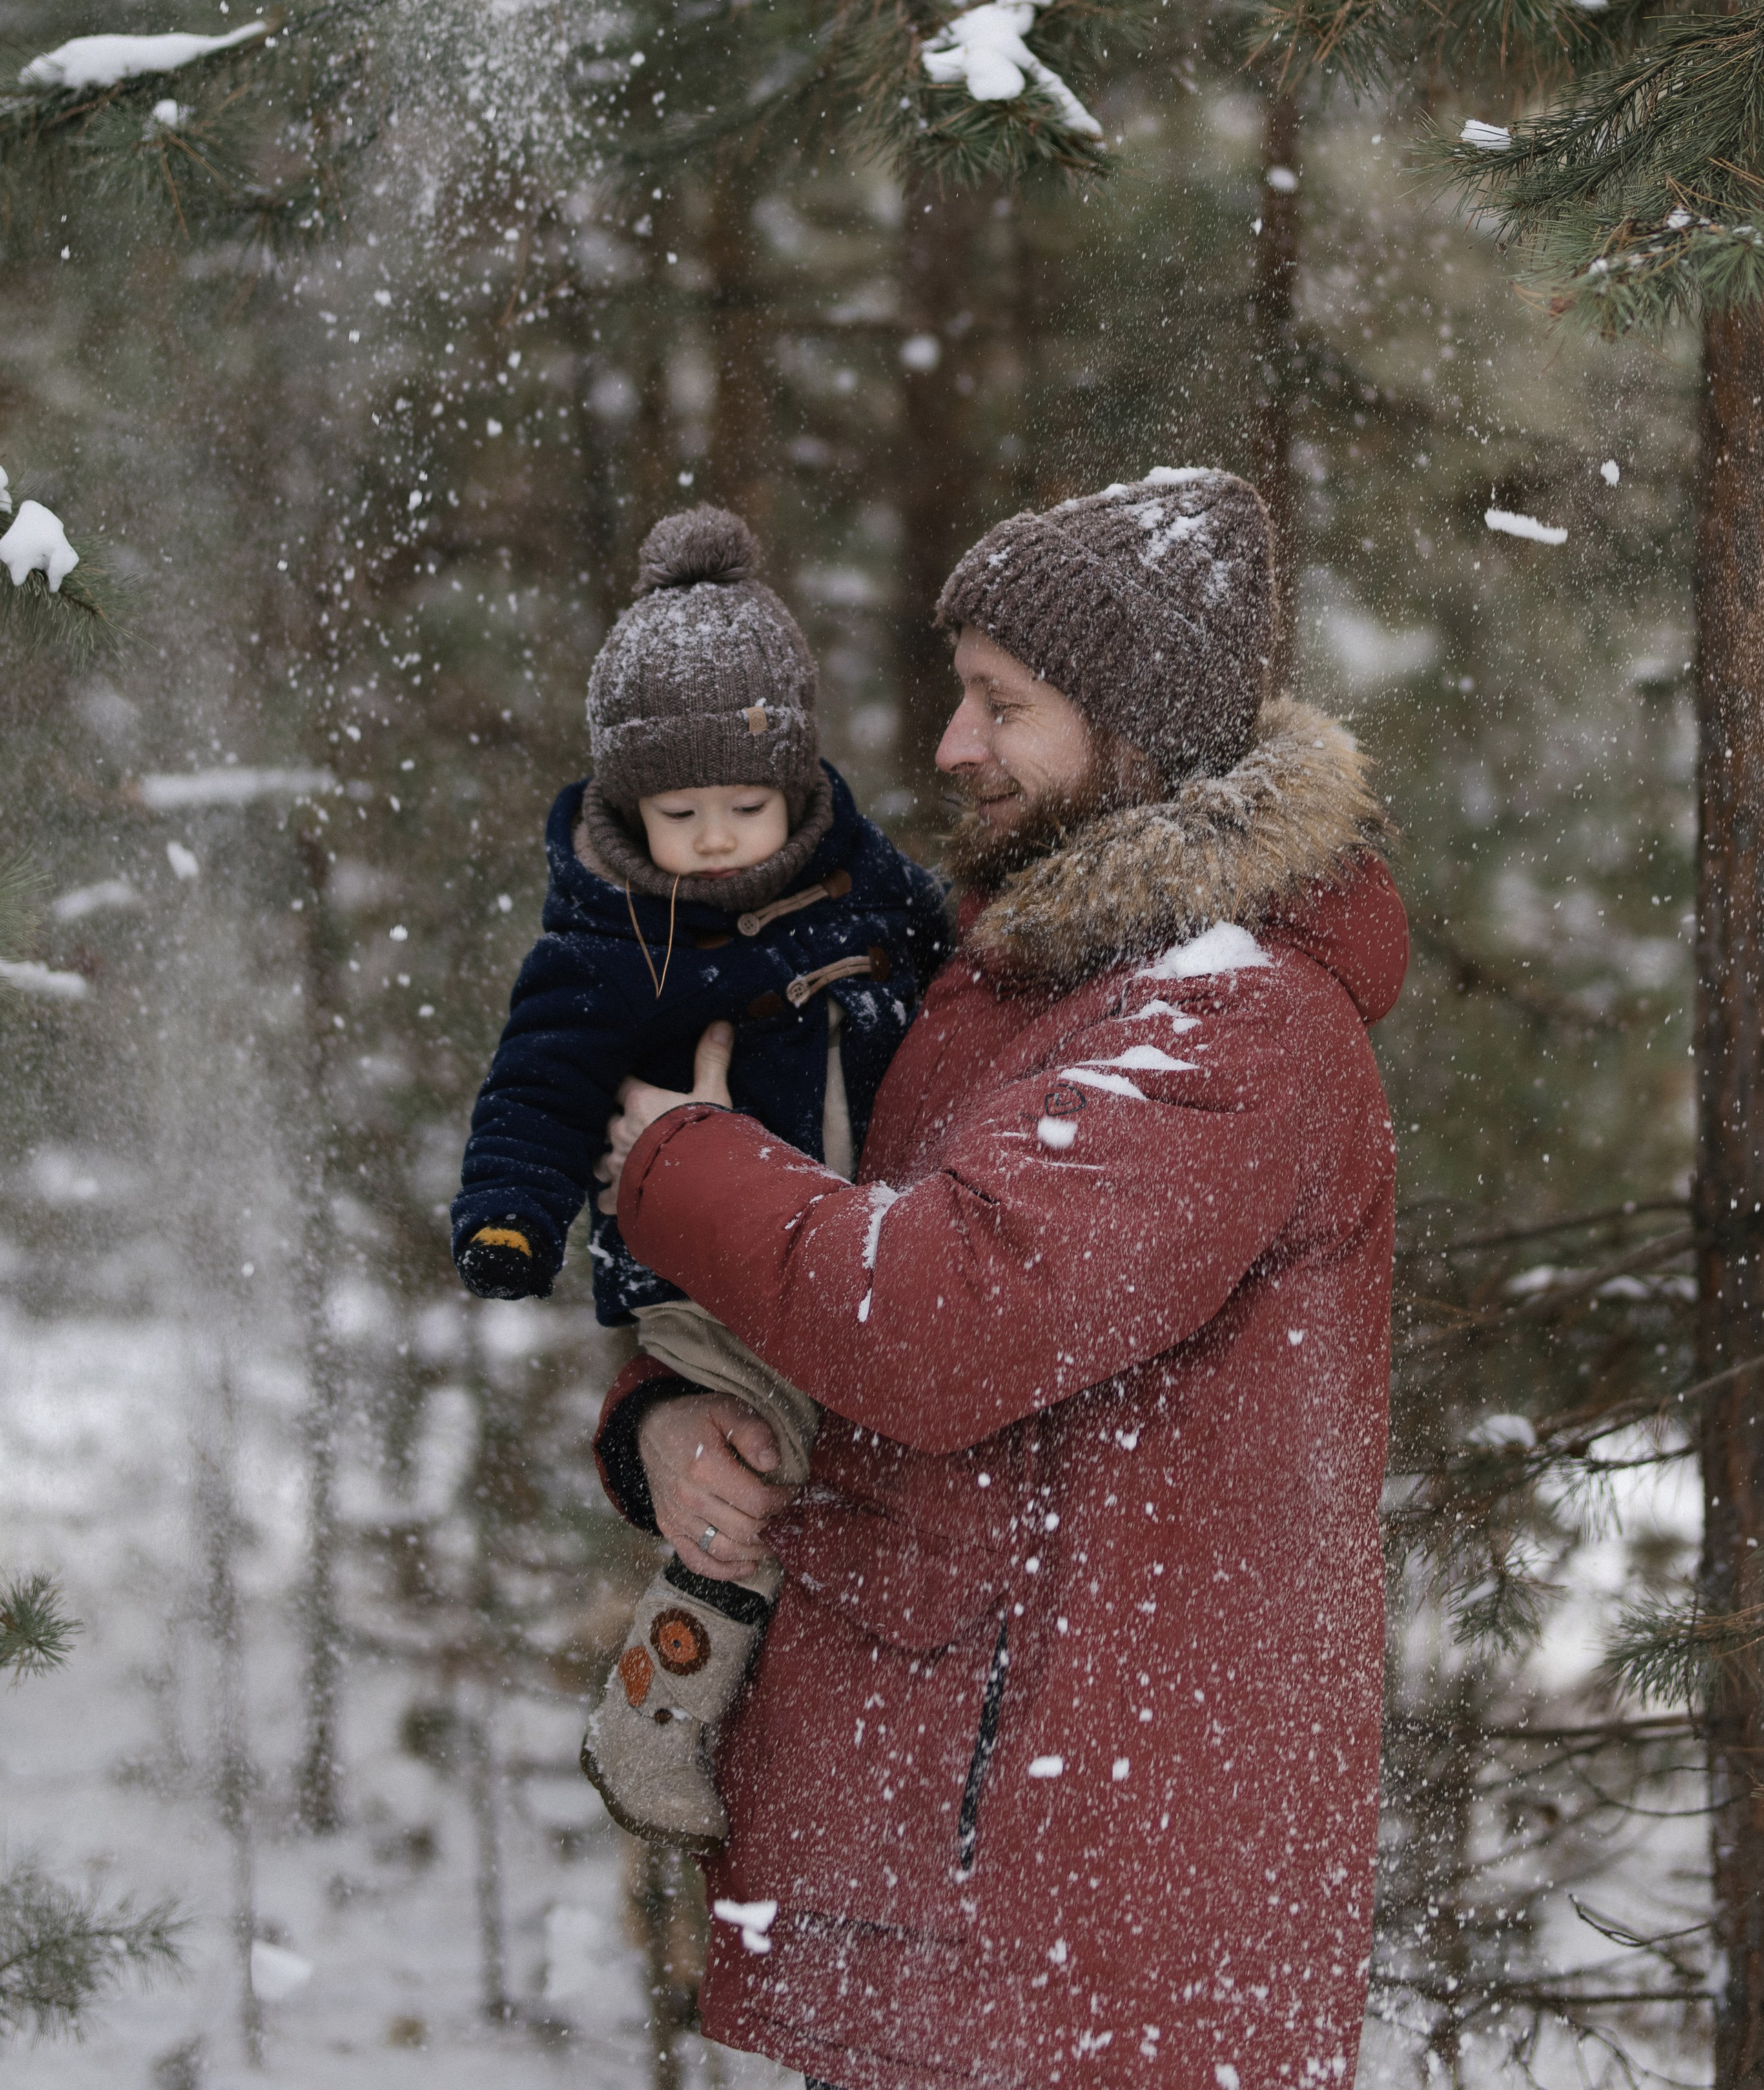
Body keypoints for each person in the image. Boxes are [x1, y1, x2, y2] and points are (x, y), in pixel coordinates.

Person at [592, 467, 1408, 2090]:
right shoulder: (1023, 983)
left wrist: (665, 1159)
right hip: (945, 1884)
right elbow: (826, 1286)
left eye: (1001, 705)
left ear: (1139, 731)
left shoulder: (1224, 1024)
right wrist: (670, 1423)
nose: (953, 747)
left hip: (1086, 1934)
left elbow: (934, 1316)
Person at [448, 504, 947, 1850]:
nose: (719, 837)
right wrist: (510, 1213)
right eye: (682, 813)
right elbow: (539, 1086)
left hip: (846, 1245)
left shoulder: (862, 880)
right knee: (765, 1470)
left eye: (746, 803)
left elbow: (955, 958)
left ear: (796, 782)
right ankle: (652, 1718)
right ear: (626, 806)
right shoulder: (611, 945)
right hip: (705, 1288)